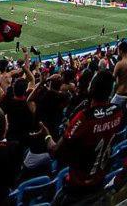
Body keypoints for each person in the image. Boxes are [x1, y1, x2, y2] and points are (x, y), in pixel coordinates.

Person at [46, 69, 122, 204]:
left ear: (91, 89)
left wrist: (46, 136)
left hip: (78, 185)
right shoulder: (117, 112)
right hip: (99, 180)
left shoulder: (84, 118)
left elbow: (56, 152)